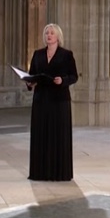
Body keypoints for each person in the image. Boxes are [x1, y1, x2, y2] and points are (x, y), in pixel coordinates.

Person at [25, 23, 79, 181]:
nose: (49, 35)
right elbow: (32, 75)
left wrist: (62, 80)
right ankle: (39, 172)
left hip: (59, 100)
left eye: (52, 33)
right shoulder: (38, 54)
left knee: (57, 135)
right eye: (47, 33)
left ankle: (59, 172)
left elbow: (74, 76)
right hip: (41, 99)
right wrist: (29, 83)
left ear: (58, 37)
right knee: (41, 134)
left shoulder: (66, 55)